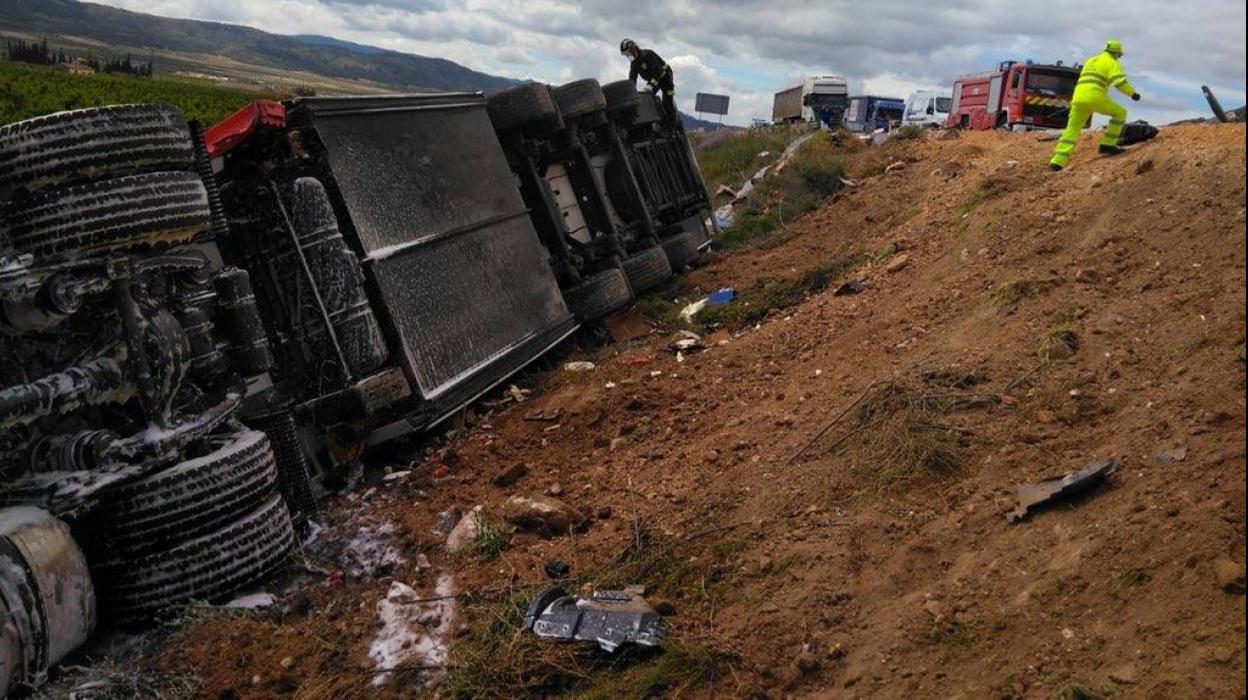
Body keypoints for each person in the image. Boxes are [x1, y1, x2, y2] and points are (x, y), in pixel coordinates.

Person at [1049, 39, 1141, 171]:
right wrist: (1132, 94)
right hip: (1095, 97)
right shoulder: (1112, 63)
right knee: (1120, 113)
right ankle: (1108, 145)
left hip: (1078, 98)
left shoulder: (1090, 60)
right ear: (1117, 53)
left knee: (1072, 129)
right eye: (1119, 55)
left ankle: (1057, 162)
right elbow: (1119, 82)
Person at [620, 38, 677, 126]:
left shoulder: (648, 54)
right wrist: (631, 92)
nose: (629, 56)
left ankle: (672, 124)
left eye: (629, 53)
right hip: (653, 80)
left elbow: (657, 71)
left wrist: (651, 85)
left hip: (665, 77)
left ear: (635, 49)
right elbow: (632, 79)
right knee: (647, 99)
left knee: (667, 100)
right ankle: (657, 123)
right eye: (627, 55)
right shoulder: (634, 64)